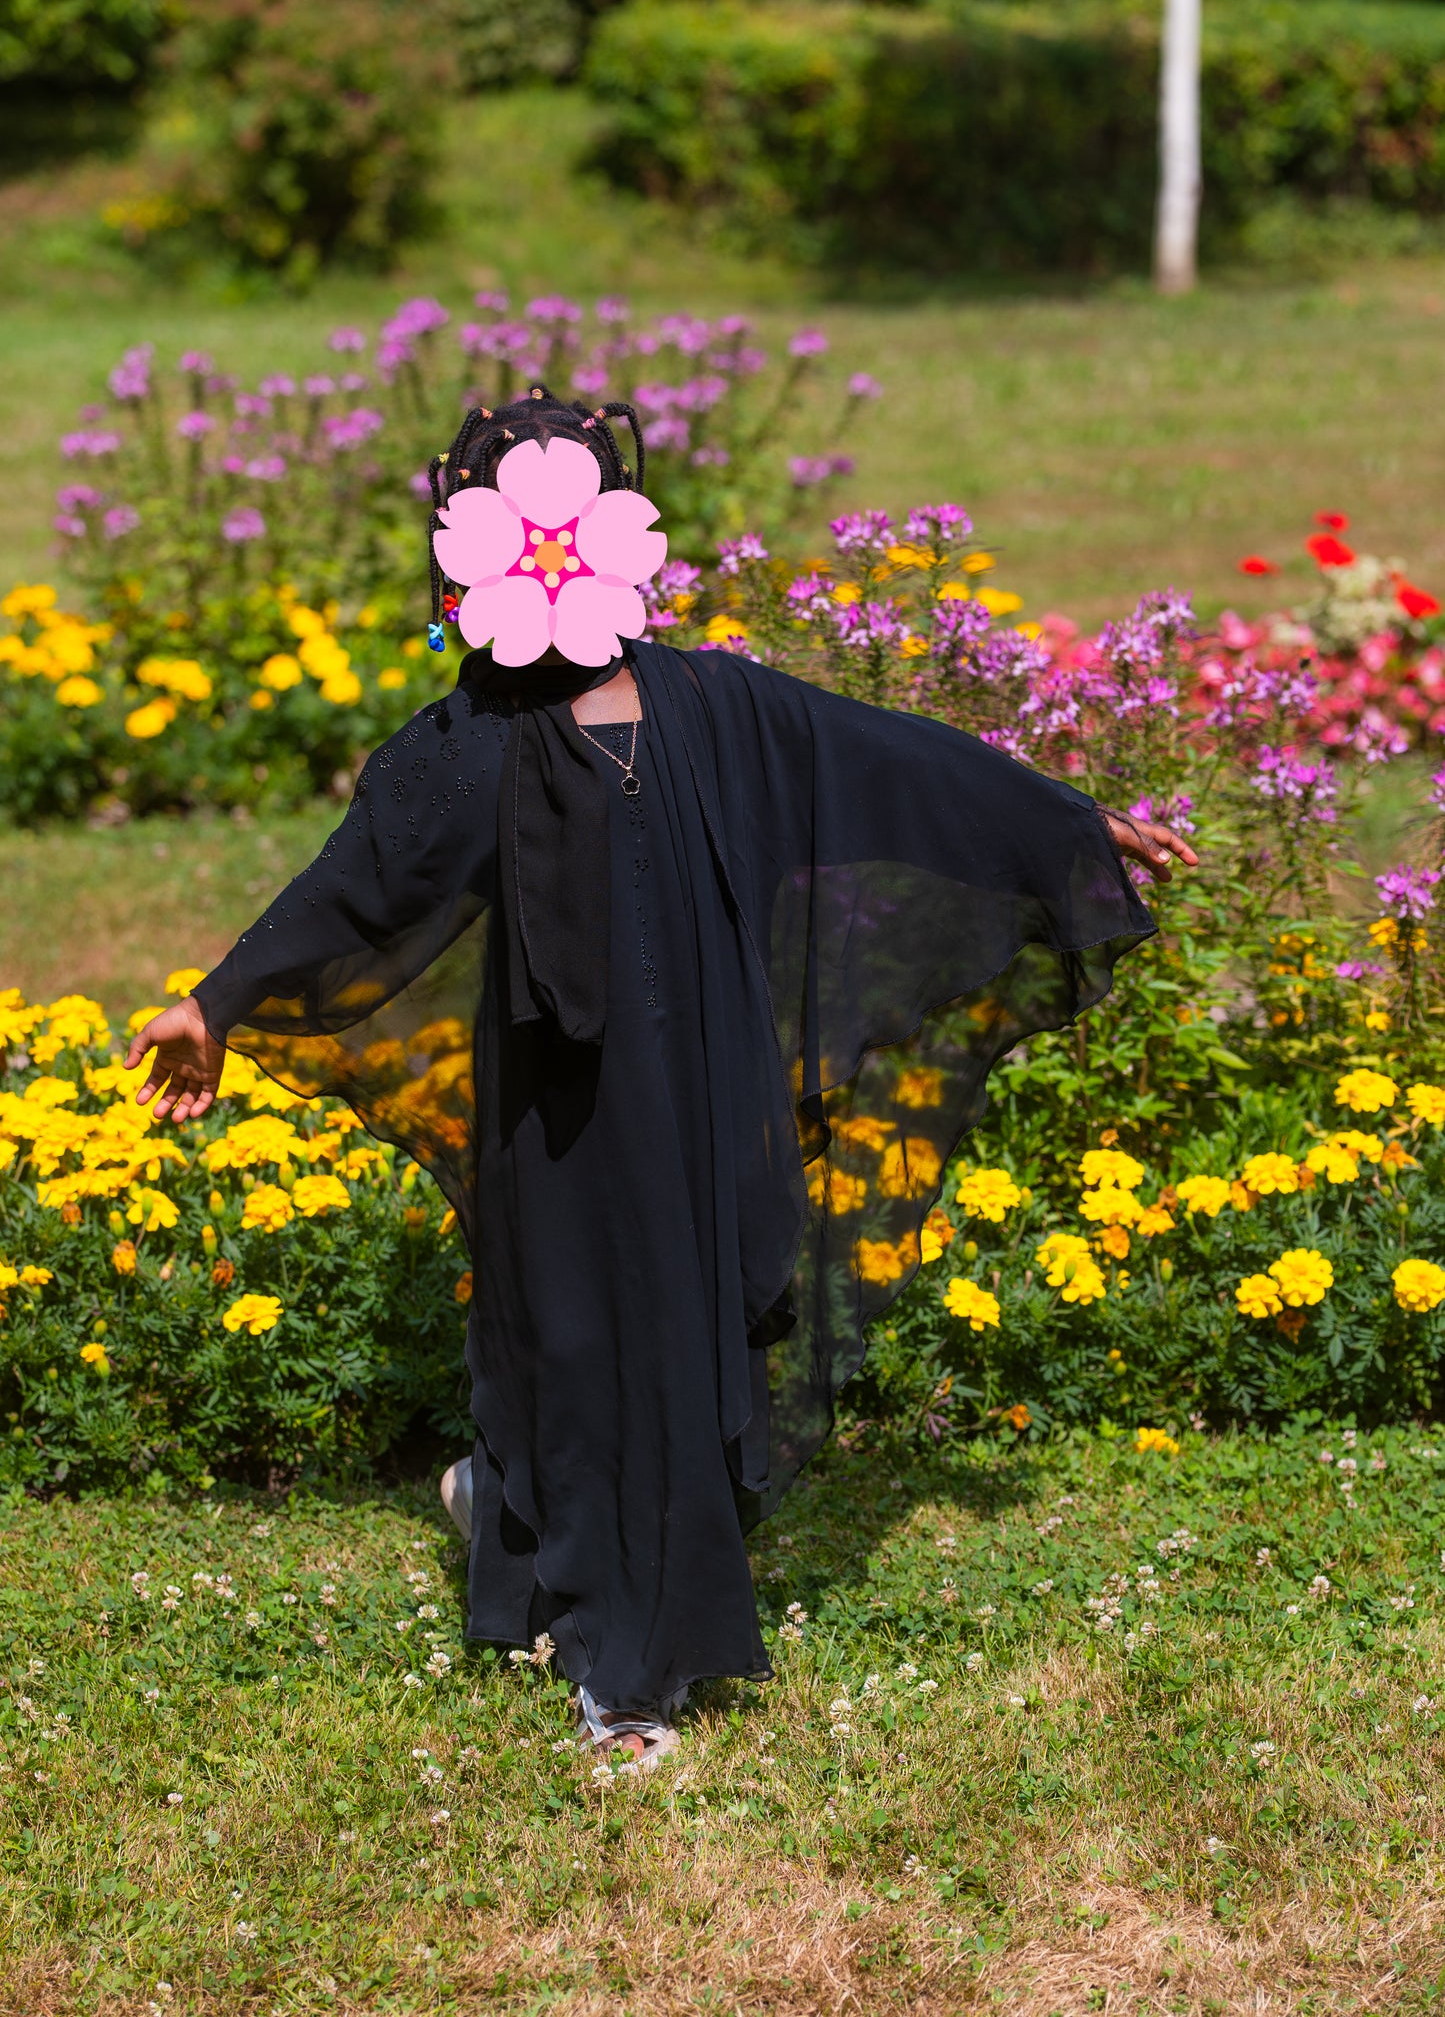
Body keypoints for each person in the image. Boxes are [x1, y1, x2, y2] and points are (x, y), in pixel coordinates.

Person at [125, 386, 1195, 1767]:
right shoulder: (467, 749)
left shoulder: (714, 705)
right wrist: (218, 1002)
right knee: (591, 1348)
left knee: (686, 1338)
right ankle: (622, 1679)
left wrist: (1062, 828)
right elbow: (356, 887)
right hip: (560, 1124)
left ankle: (507, 1504)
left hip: (698, 1095)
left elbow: (889, 764)